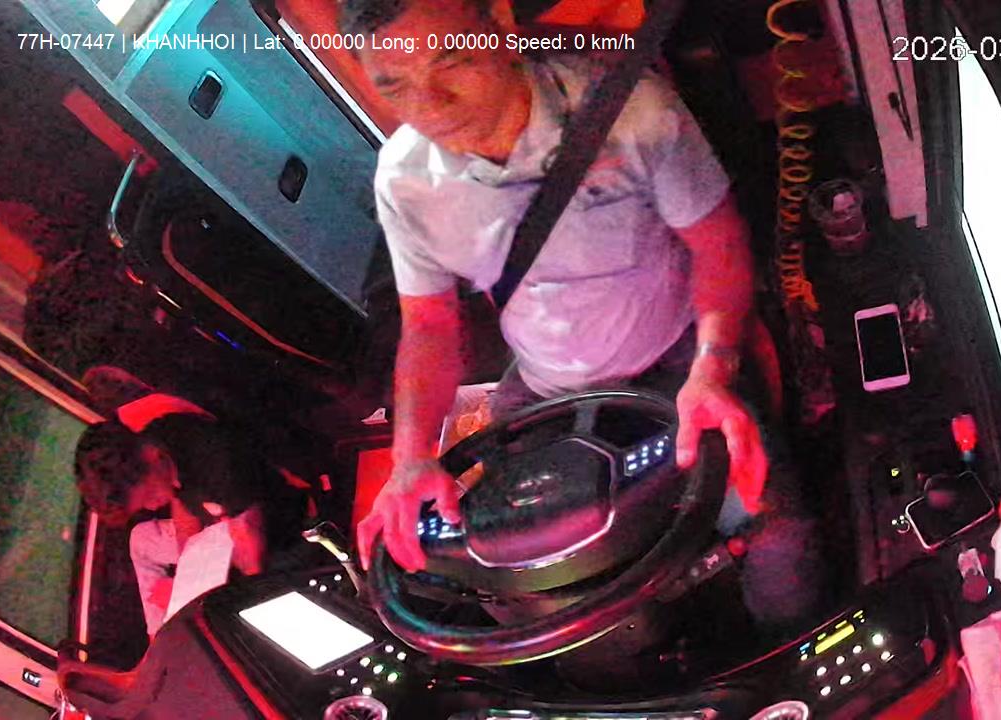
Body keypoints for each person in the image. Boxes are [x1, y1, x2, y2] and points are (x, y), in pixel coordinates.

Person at [347, 0, 820, 631]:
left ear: (501, 29)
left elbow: (720, 245)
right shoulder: (403, 179)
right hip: (543, 387)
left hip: (678, 354)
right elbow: (429, 324)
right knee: (533, 581)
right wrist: (410, 458)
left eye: (451, 62)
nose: (429, 105)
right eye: (396, 86)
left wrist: (712, 369)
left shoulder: (632, 111)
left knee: (778, 543)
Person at [73, 415, 277, 637]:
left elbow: (252, 563)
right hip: (221, 526)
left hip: (270, 529)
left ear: (151, 456)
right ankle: (158, 636)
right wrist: (184, 577)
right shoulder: (158, 443)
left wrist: (200, 598)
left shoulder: (216, 463)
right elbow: (182, 508)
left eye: (149, 496)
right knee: (141, 539)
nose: (152, 507)